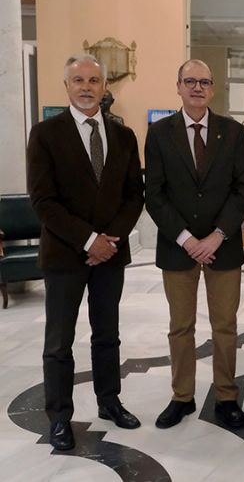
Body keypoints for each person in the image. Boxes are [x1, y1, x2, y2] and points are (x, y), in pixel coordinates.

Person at [27, 54, 144, 451]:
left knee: (107, 335)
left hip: (110, 255)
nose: (86, 87)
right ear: (66, 86)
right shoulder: (45, 134)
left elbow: (134, 195)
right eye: (78, 80)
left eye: (94, 80)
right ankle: (59, 417)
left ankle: (109, 402)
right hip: (64, 255)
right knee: (59, 342)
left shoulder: (124, 136)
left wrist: (108, 240)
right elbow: (44, 201)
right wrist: (87, 240)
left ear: (104, 86)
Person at [145, 59, 244, 429]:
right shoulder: (160, 133)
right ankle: (182, 397)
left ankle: (226, 396)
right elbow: (154, 194)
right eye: (189, 81)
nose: (196, 87)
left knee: (225, 325)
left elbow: (243, 190)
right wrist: (189, 239)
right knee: (181, 326)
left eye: (204, 81)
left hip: (223, 246)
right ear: (178, 86)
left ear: (213, 88)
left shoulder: (233, 132)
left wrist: (217, 236)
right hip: (178, 247)